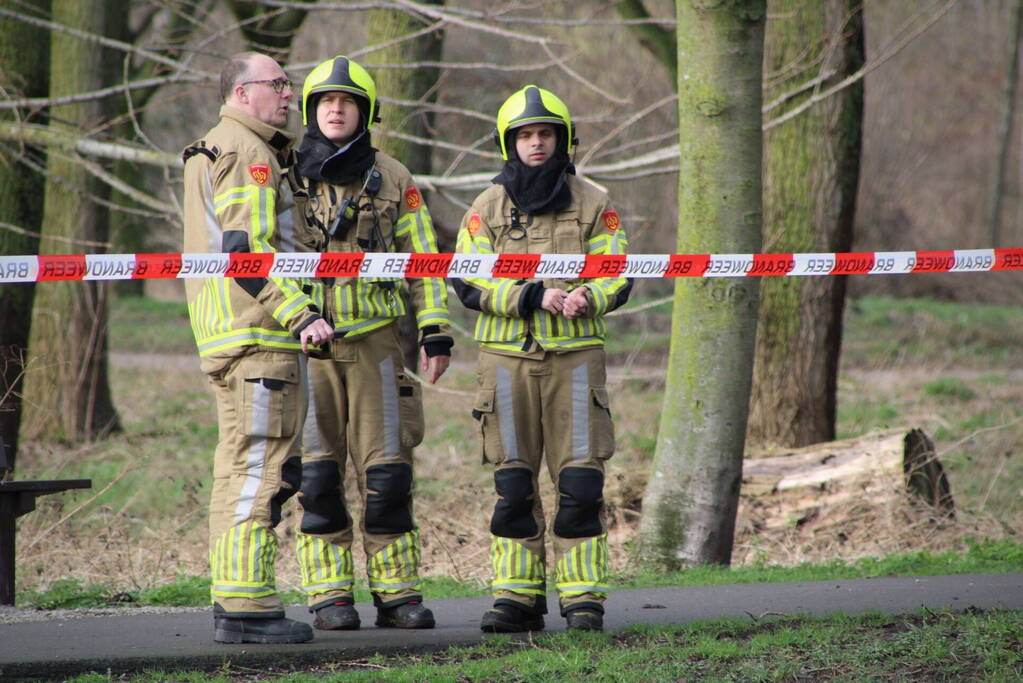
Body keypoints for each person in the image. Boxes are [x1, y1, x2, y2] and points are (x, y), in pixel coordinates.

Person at [453, 85, 632, 633]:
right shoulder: (485, 208)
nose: (536, 143)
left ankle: (583, 600)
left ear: (562, 140)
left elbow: (619, 270)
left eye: (545, 134)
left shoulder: (595, 202)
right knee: (514, 487)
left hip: (576, 360)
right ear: (510, 143)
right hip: (505, 363)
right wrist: (531, 295)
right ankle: (516, 598)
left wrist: (590, 296)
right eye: (526, 135)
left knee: (580, 485)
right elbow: (467, 279)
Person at [290, 56, 453, 631]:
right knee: (318, 479)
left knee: (388, 476)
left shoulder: (395, 177)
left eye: (348, 100)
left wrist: (435, 331)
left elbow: (425, 262)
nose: (336, 108)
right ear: (312, 110)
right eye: (325, 101)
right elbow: (256, 253)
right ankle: (329, 595)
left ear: (366, 111)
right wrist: (297, 314)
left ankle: (397, 593)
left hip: (379, 346)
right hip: (306, 350)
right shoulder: (286, 176)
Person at [181, 52, 334, 644]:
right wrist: (300, 314)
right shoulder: (247, 153)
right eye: (278, 85)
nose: (289, 95)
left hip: (226, 333)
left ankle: (233, 598)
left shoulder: (213, 145)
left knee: (236, 469)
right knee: (261, 471)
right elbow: (246, 251)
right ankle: (248, 608)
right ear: (243, 94)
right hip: (258, 334)